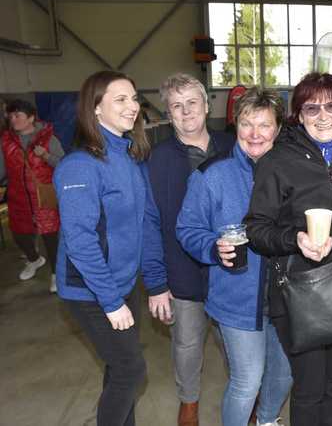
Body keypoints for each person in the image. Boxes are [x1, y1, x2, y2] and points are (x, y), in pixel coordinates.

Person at [245, 73, 332, 426]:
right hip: (300, 294)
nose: (323, 116)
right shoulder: (278, 162)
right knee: (310, 388)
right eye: (312, 108)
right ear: (298, 115)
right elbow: (256, 228)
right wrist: (294, 239)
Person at [54, 70, 165, 426]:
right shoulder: (79, 166)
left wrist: (155, 283)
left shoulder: (128, 158)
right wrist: (111, 301)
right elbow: (80, 241)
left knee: (119, 370)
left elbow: (144, 224)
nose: (133, 106)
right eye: (120, 99)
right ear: (95, 108)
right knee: (131, 370)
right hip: (91, 290)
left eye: (134, 98)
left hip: (124, 283)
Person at [177, 87, 292, 426]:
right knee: (247, 380)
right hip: (237, 296)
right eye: (246, 124)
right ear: (235, 126)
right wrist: (213, 247)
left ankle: (267, 420)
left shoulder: (293, 171)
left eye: (264, 125)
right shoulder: (212, 175)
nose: (255, 133)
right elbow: (187, 227)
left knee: (284, 373)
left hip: (288, 296)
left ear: (278, 129)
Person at [143, 73, 235, 426]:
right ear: (168, 114)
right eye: (176, 106)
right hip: (182, 270)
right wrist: (156, 283)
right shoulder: (158, 159)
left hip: (231, 269)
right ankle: (189, 402)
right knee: (186, 343)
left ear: (206, 105)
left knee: (236, 342)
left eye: (192, 102)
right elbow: (150, 223)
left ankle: (248, 394)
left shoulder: (233, 146)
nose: (186, 112)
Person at [1, 99, 64, 292]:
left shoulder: (48, 139)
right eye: (11, 116)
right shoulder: (5, 142)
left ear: (30, 118)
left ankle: (56, 274)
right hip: (18, 198)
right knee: (19, 235)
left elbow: (64, 165)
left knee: (50, 237)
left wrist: (46, 156)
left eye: (17, 115)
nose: (13, 119)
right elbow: (2, 171)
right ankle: (34, 260)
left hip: (43, 195)